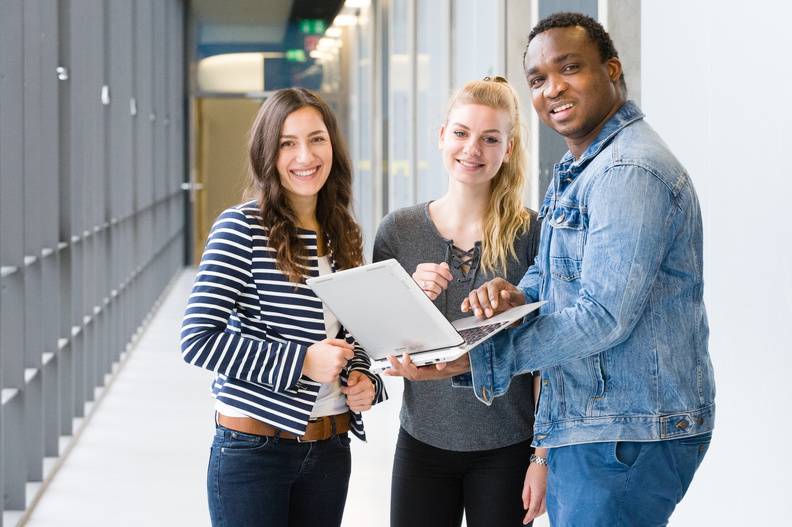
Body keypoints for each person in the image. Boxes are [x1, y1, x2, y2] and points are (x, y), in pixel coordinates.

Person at [454, 12, 715, 526]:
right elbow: (557, 279)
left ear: (612, 69)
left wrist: (479, 360)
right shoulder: (583, 167)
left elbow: (602, 315)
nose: (553, 89)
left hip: (625, 432)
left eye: (568, 68)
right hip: (599, 424)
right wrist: (519, 297)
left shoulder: (628, 171)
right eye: (537, 79)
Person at [180, 87, 387, 527]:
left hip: (331, 447)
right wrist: (302, 362)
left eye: (316, 139)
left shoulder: (343, 231)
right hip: (255, 452)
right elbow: (197, 340)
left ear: (333, 144)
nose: (304, 156)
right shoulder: (241, 227)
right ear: (266, 153)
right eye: (286, 143)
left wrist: (366, 379)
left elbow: (352, 336)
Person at [373, 77, 547, 527]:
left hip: (508, 447)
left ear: (507, 150)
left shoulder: (533, 234)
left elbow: (551, 357)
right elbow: (379, 345)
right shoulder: (398, 232)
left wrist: (542, 456)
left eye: (490, 139)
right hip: (422, 443)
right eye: (461, 133)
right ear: (442, 137)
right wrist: (409, 298)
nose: (473, 149)